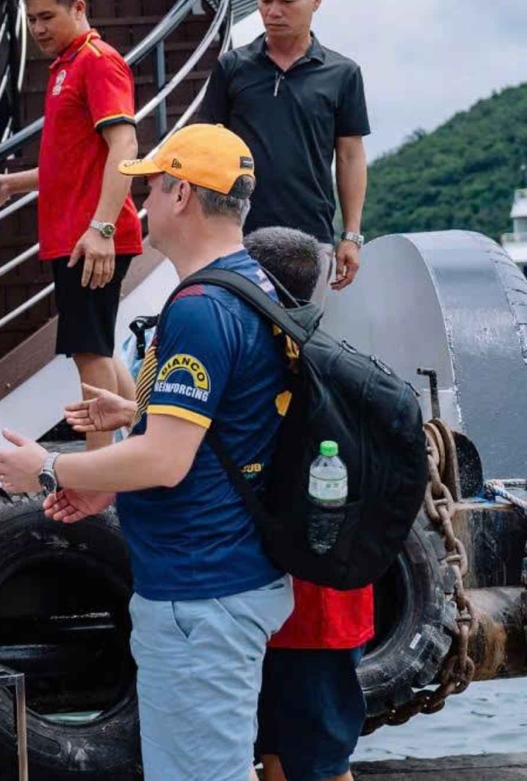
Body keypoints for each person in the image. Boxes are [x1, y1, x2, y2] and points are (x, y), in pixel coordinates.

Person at [0, 124, 294, 780]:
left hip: (199, 595)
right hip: (233, 578)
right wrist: (137, 422)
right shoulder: (254, 288)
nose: (139, 202)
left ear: (182, 193)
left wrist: (46, 467)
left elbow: (165, 460)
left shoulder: (199, 309)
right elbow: (224, 426)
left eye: (150, 186)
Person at [242, 226, 373, 781]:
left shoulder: (281, 363)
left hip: (307, 607)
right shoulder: (338, 360)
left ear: (256, 281)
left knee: (317, 763)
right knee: (285, 754)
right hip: (325, 598)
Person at [0, 0, 142, 453]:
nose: (38, 28)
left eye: (47, 17)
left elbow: (126, 146)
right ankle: (141, 445)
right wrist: (8, 184)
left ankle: (101, 470)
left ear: (78, 9)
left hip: (91, 238)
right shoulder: (66, 66)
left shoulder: (98, 60)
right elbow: (69, 164)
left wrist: (101, 228)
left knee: (89, 354)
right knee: (98, 348)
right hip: (74, 235)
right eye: (32, 19)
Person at [198, 0, 371, 299]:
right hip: (235, 235)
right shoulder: (233, 67)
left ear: (316, 0)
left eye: (287, 1)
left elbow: (350, 156)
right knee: (242, 343)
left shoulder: (343, 73)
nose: (272, 12)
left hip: (310, 238)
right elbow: (206, 147)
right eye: (265, 1)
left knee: (301, 347)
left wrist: (351, 236)